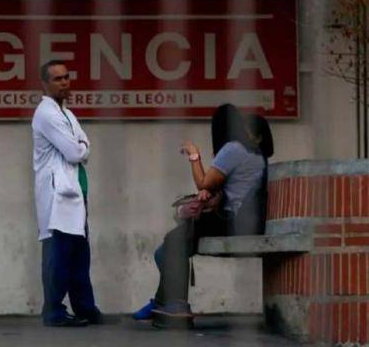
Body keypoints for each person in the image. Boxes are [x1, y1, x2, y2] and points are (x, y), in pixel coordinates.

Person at [132, 104, 274, 328]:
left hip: (232, 222)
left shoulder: (233, 149)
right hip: (246, 221)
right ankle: (161, 302)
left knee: (172, 244)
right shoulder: (255, 154)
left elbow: (203, 182)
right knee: (166, 250)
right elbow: (234, 188)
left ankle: (176, 307)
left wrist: (194, 154)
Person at [32, 59, 103, 327]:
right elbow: (76, 151)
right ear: (45, 84)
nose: (64, 83)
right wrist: (83, 147)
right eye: (57, 79)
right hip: (56, 195)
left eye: (66, 77)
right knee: (58, 257)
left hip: (75, 193)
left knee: (79, 257)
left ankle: (86, 308)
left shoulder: (68, 114)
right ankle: (53, 312)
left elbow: (82, 144)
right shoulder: (46, 113)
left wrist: (82, 146)